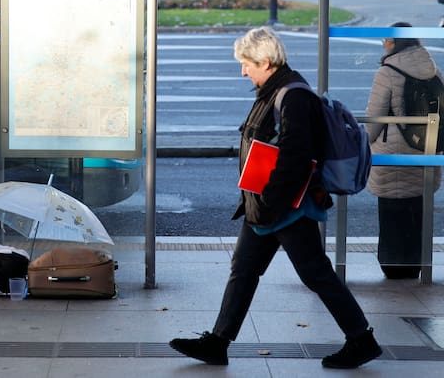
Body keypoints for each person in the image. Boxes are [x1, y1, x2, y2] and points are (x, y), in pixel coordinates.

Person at [169, 27, 382, 370]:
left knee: (314, 273)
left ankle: (362, 339)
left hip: (285, 207)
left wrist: (270, 202)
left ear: (265, 61)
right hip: (267, 205)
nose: (243, 71)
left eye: (246, 64)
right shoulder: (274, 90)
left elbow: (295, 159)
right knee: (244, 268)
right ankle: (218, 342)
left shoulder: (293, 96)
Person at [365, 22, 443, 279]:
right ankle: (415, 265)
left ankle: (393, 266)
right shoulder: (434, 70)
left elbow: (374, 120)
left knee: (392, 215)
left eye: (386, 40)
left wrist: (364, 148)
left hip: (392, 157)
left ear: (396, 43)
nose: (384, 44)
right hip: (426, 154)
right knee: (417, 213)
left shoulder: (387, 72)